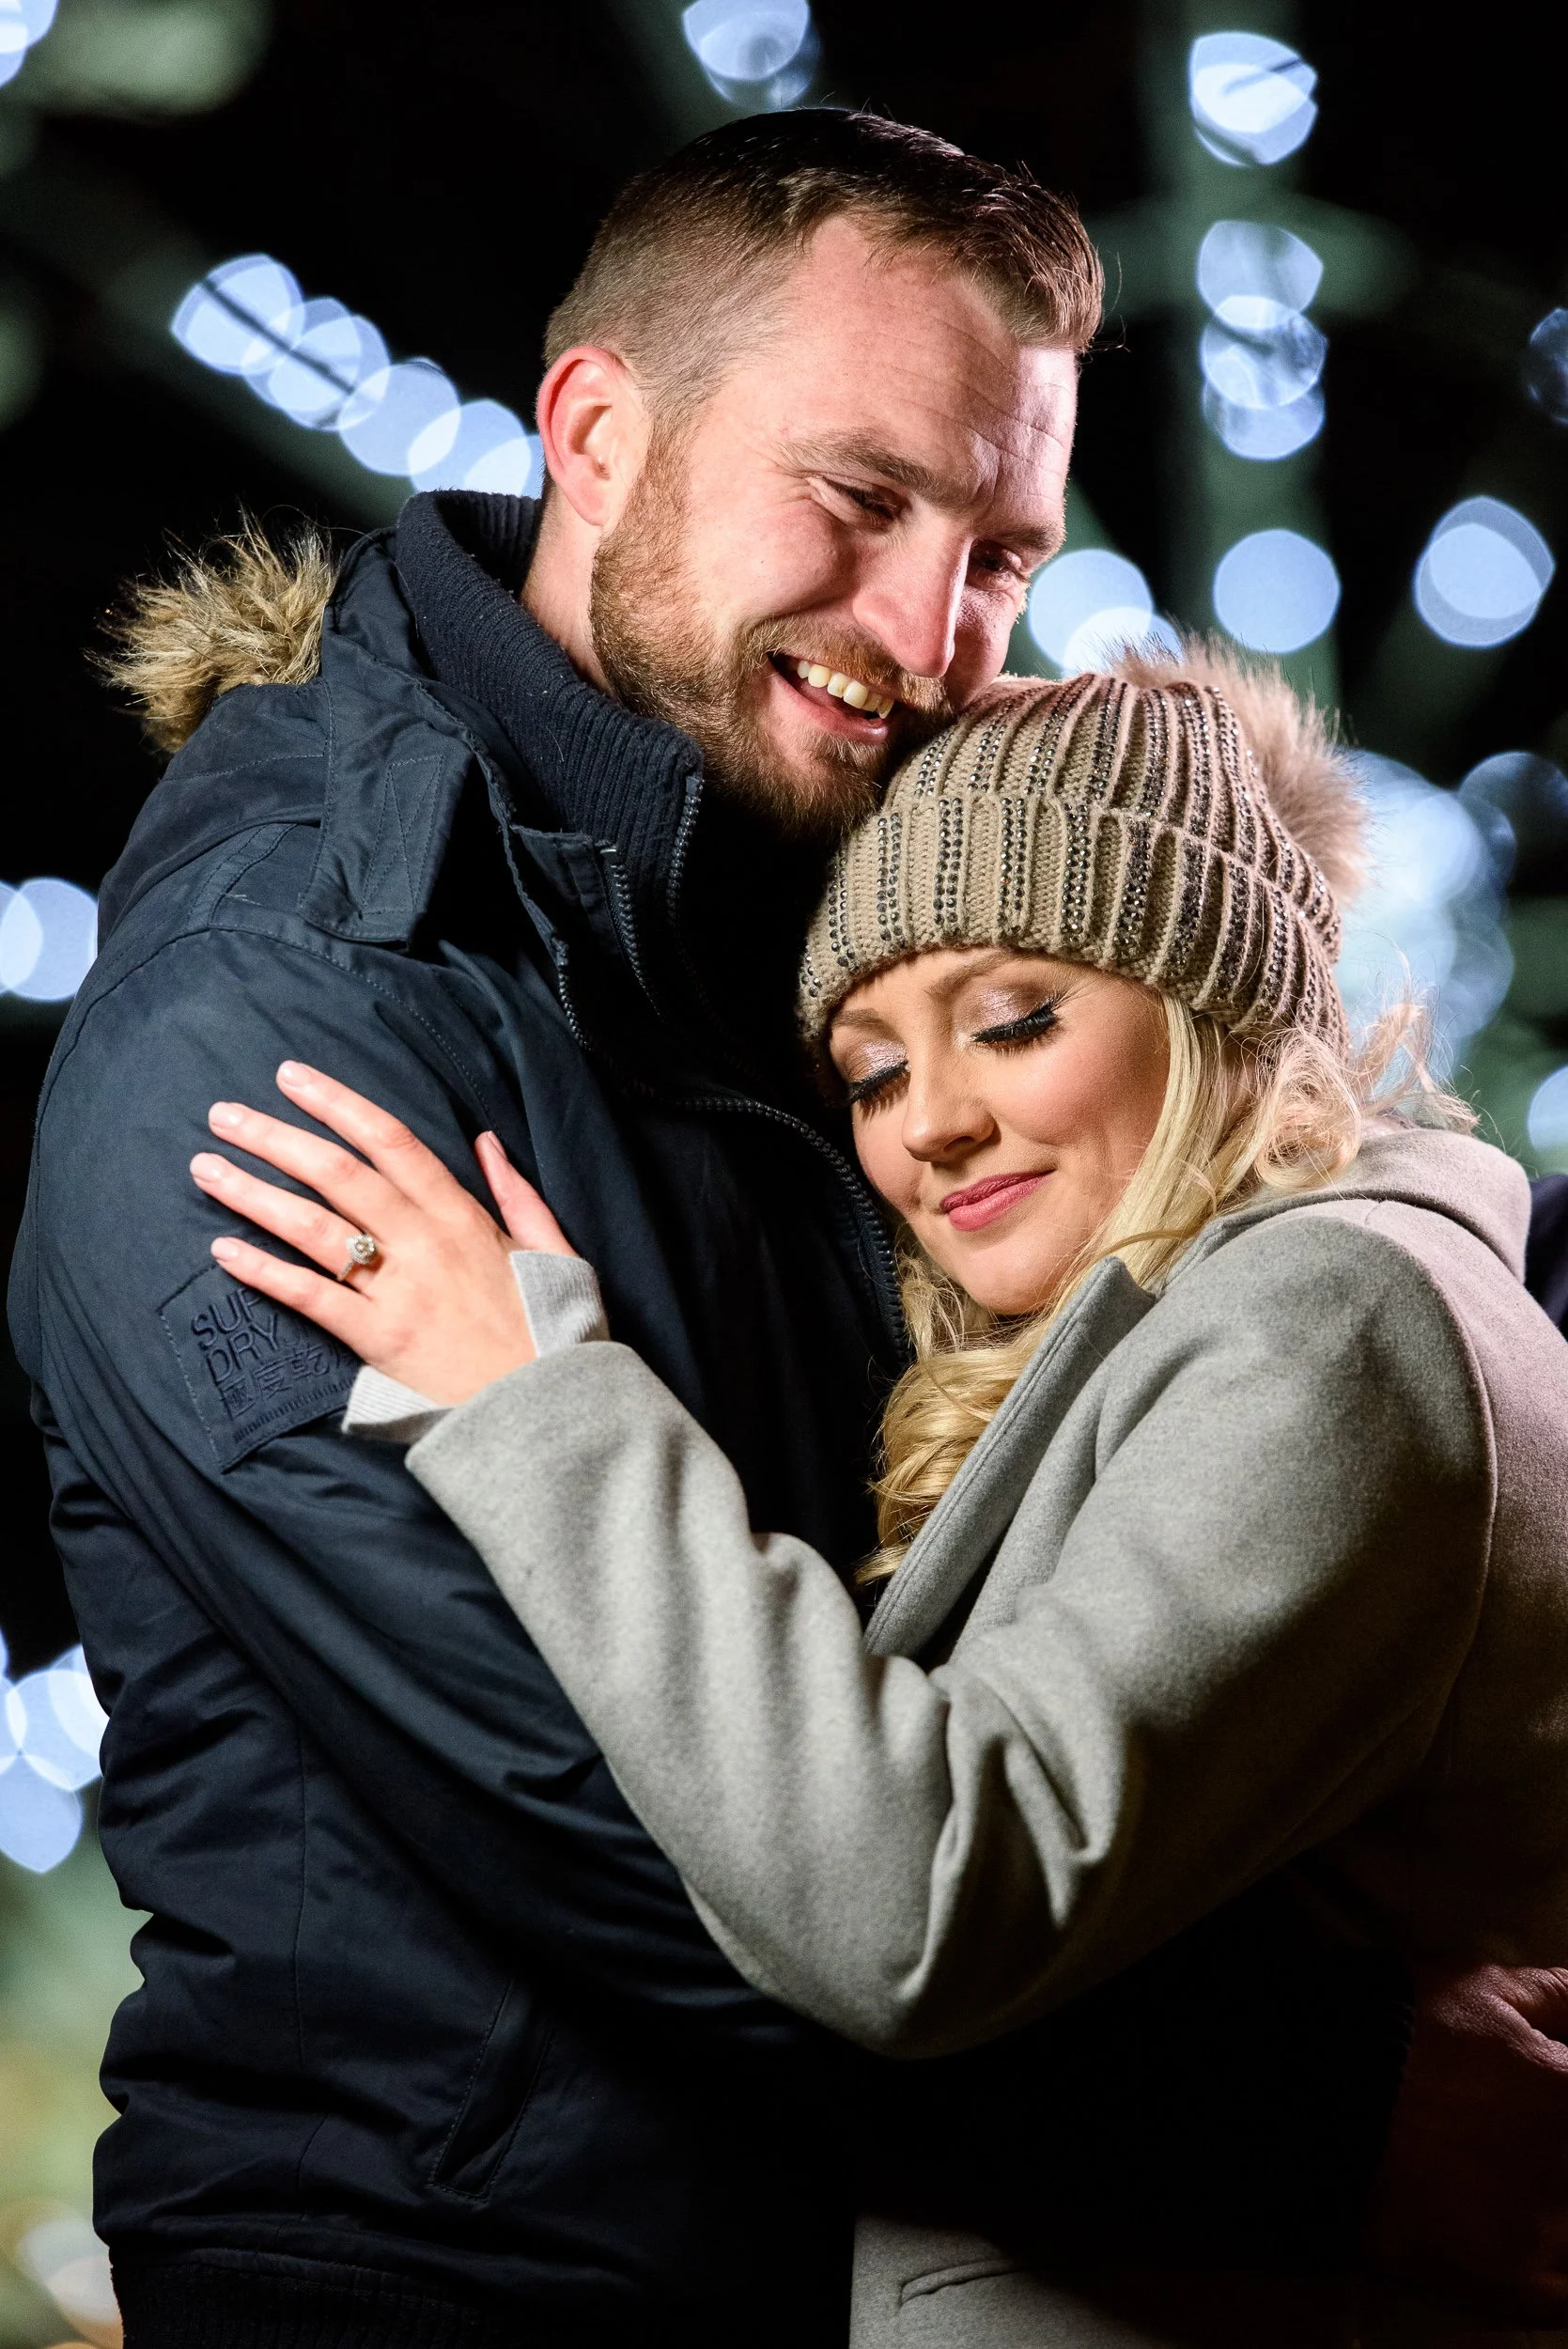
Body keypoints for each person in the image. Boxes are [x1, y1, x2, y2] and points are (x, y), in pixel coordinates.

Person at [10, 104, 1568, 2349]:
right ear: (596, 429)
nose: (930, 629)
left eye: (1004, 552)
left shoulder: (790, 909)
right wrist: (1331, 2113)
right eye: (860, 499)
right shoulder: (290, 1018)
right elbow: (631, 1836)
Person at [194, 646, 1568, 2345]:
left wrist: (539, 1404)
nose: (937, 1124)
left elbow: (918, 1900)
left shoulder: (1332, 1324)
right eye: (871, 1071)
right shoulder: (1247, 1326)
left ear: (1217, 993)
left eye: (1016, 1019)